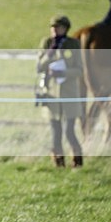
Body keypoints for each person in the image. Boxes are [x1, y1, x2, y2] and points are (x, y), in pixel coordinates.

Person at [36, 15, 84, 168]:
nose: (55, 31)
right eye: (53, 28)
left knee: (69, 130)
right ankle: (58, 162)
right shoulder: (47, 43)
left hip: (69, 93)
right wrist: (49, 55)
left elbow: (79, 70)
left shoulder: (73, 44)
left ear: (65, 29)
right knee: (55, 132)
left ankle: (77, 160)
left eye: (58, 27)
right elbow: (39, 67)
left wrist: (64, 73)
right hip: (52, 94)